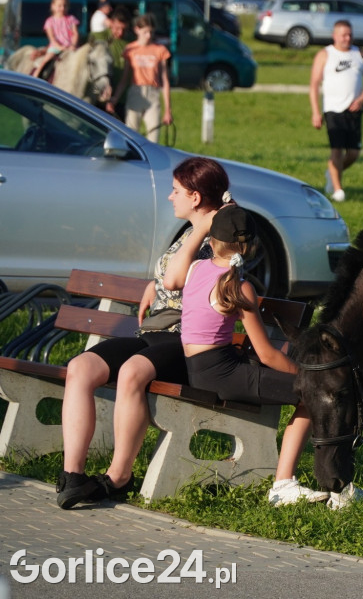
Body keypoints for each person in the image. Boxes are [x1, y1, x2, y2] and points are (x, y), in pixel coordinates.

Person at [57, 157, 229, 510]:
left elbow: (177, 280)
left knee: (133, 370)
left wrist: (202, 230)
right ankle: (72, 476)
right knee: (80, 367)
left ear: (196, 197)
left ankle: (118, 477)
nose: (170, 197)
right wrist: (153, 285)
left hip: (189, 343)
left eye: (176, 190)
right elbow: (167, 279)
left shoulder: (224, 235)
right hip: (154, 331)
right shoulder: (189, 229)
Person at [177, 206, 363, 507]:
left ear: (211, 243)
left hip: (201, 369)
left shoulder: (196, 269)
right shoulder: (239, 287)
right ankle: (284, 485)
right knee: (313, 396)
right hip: (223, 374)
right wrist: (309, 378)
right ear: (253, 247)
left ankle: (335, 485)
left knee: (310, 389)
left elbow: (174, 280)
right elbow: (267, 354)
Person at [309, 20, 363, 203]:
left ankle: (332, 173)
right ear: (335, 35)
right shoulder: (325, 54)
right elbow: (314, 84)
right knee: (336, 150)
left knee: (353, 153)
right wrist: (316, 112)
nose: (347, 38)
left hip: (354, 110)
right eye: (344, 35)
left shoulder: (359, 53)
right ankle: (338, 191)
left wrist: (361, 99)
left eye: (350, 34)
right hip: (333, 109)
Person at [107, 13, 173, 140]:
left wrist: (168, 110)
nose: (149, 36)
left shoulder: (160, 50)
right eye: (145, 32)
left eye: (151, 32)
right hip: (135, 92)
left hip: (153, 93)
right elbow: (125, 78)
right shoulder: (130, 49)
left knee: (154, 136)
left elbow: (165, 81)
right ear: (137, 30)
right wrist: (114, 99)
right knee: (131, 136)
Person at [90, 6, 130, 118]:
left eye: (124, 29)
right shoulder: (101, 36)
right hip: (99, 96)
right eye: (117, 28)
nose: (120, 33)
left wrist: (115, 99)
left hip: (121, 98)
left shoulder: (130, 43)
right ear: (111, 23)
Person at [31, 0, 79, 78]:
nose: (62, 8)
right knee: (47, 59)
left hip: (70, 46)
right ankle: (36, 76)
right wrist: (60, 47)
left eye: (65, 5)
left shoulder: (71, 19)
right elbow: (52, 38)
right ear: (53, 6)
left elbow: (75, 33)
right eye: (59, 5)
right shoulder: (50, 21)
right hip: (55, 47)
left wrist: (73, 44)